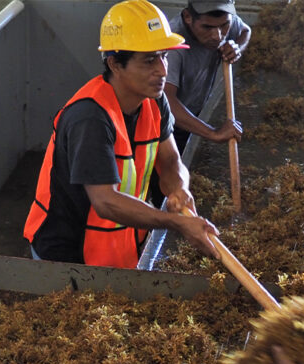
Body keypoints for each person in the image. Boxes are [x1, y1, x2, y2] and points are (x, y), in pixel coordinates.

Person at [23, 0, 220, 268]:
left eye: (163, 56)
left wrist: (180, 189)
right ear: (115, 64)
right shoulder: (89, 117)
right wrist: (176, 223)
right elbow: (106, 202)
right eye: (149, 60)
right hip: (68, 254)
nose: (162, 70)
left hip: (119, 241)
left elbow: (171, 160)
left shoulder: (154, 99)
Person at [164, 1, 251, 152]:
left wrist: (237, 48)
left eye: (224, 26)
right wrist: (213, 133)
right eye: (207, 27)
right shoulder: (173, 43)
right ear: (188, 17)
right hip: (166, 122)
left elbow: (245, 31)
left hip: (192, 111)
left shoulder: (225, 22)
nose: (217, 36)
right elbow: (166, 102)